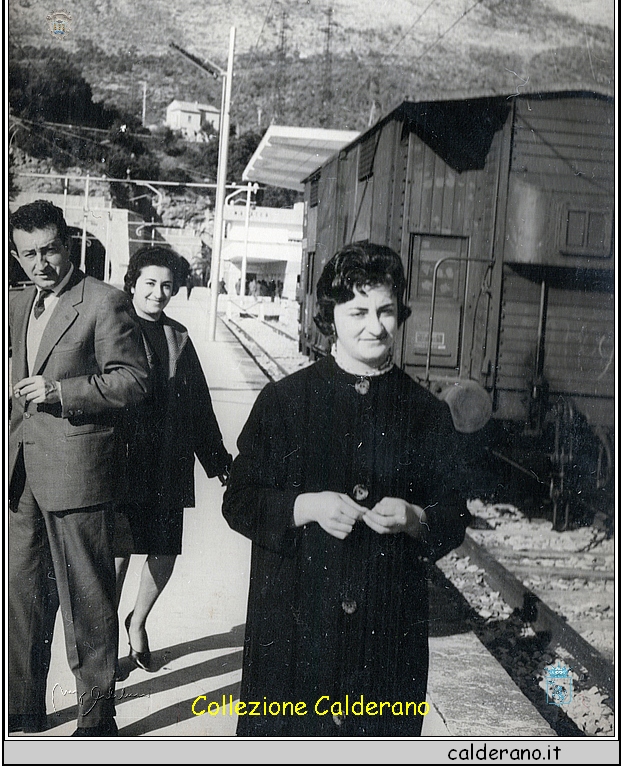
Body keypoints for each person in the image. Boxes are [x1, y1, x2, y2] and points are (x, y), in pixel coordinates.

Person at [223, 241, 471, 737]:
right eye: (358, 311)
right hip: (293, 636)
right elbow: (239, 501)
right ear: (329, 316)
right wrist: (303, 506)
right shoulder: (284, 402)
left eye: (386, 311)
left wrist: (416, 518)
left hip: (386, 639)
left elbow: (454, 516)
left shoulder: (427, 413)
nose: (375, 326)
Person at [8, 200, 150, 737]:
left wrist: (60, 391)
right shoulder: (18, 305)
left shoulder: (105, 301)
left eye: (48, 250)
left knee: (87, 601)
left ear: (67, 245)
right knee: (20, 598)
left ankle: (96, 717)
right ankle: (22, 708)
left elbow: (135, 381)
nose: (40, 263)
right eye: (27, 255)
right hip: (22, 474)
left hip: (77, 473)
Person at [114, 246, 232, 673]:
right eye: (150, 283)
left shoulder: (178, 336)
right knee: (117, 552)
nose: (158, 293)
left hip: (168, 460)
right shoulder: (113, 325)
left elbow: (199, 404)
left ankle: (138, 622)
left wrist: (217, 459)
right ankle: (104, 636)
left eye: (166, 285)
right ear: (132, 283)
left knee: (164, 550)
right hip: (122, 459)